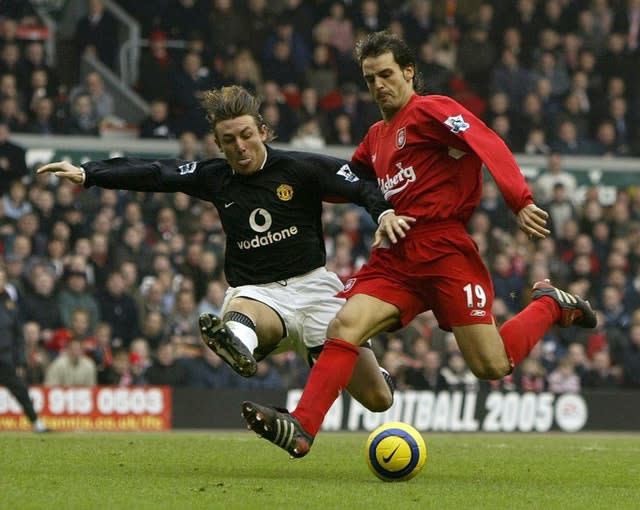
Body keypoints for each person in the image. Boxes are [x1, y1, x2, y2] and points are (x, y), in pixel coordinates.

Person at [240, 30, 598, 458]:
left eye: (386, 74)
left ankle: (549, 304)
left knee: (491, 365)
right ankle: (302, 427)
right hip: (395, 256)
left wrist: (518, 199)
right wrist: (281, 177)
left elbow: (486, 142)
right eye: (370, 78)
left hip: (445, 250)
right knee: (344, 325)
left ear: (409, 72)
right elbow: (345, 181)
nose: (378, 85)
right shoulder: (376, 136)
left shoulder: (432, 110)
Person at [36, 84, 408, 415]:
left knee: (378, 401)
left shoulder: (301, 168)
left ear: (263, 131)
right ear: (218, 143)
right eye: (229, 140)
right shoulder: (215, 177)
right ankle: (235, 343)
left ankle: (368, 371)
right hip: (258, 294)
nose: (240, 146)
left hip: (314, 289)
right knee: (239, 312)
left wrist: (385, 212)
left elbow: (360, 186)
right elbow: (156, 172)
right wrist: (89, 173)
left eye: (246, 135)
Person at [0, 263, 50, 432]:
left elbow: (17, 336)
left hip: (5, 357)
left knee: (20, 390)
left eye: (1, 279)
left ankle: (36, 422)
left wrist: (20, 361)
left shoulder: (9, 305)